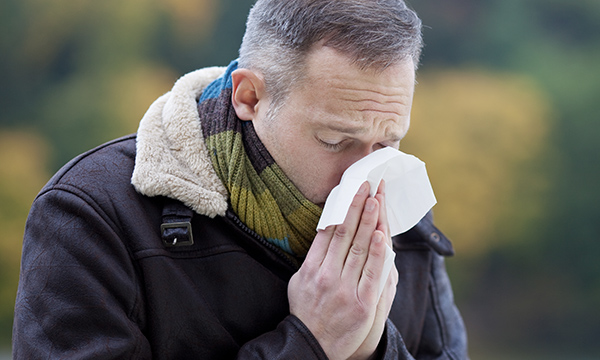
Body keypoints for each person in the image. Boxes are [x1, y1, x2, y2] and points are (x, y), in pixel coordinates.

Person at [12, 0, 469, 359]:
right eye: (334, 139)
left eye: (388, 143)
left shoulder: (401, 213)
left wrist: (373, 352)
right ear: (249, 96)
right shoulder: (93, 213)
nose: (365, 174)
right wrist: (310, 343)